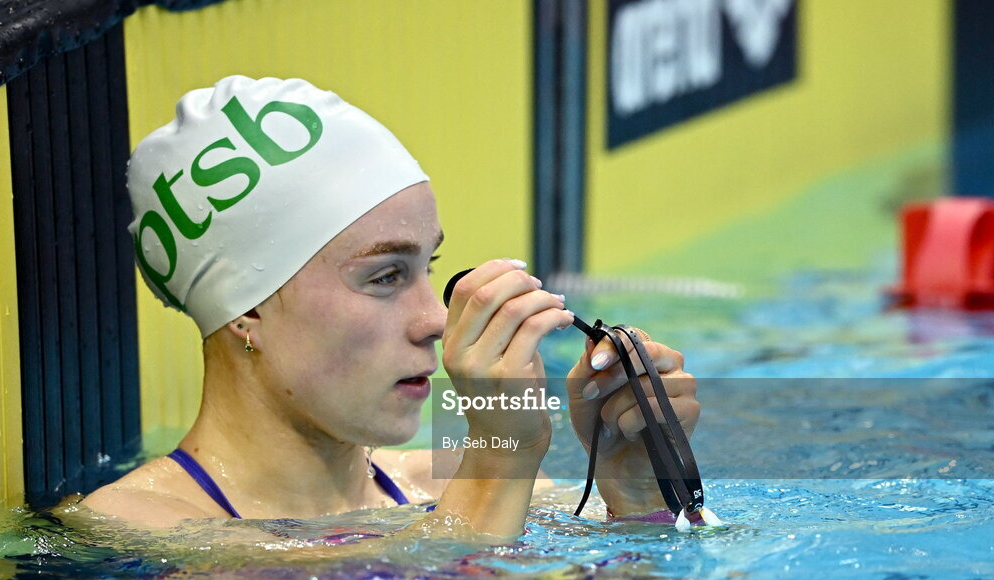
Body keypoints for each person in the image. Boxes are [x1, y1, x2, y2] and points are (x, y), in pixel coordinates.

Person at [82, 76, 700, 540]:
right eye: (384, 276)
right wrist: (501, 459)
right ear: (247, 309)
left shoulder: (446, 482)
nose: (434, 319)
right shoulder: (138, 531)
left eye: (426, 269)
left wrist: (636, 490)